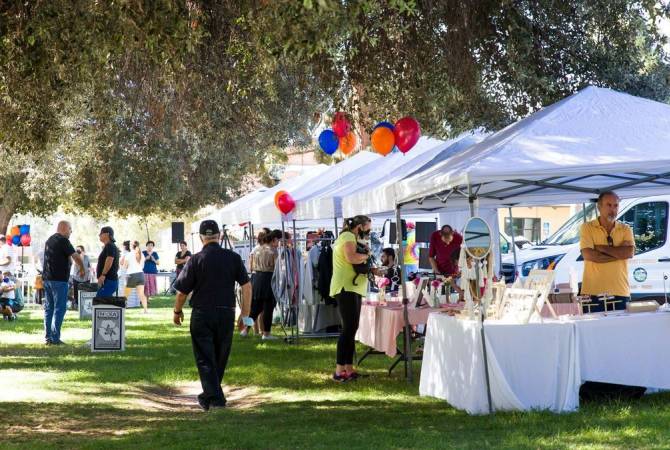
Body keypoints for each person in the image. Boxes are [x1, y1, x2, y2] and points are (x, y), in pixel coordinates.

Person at [173, 220, 252, 411]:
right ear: (218, 235)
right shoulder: (232, 258)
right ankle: (211, 395)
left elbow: (182, 291)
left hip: (202, 312)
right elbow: (247, 286)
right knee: (220, 355)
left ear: (201, 238)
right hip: (226, 312)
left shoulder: (195, 260)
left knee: (205, 357)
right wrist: (246, 313)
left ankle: (215, 399)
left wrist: (177, 311)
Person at [330, 215, 372, 382]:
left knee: (352, 328)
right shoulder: (347, 236)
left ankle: (348, 368)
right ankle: (339, 370)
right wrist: (367, 255)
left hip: (352, 287)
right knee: (348, 328)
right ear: (360, 226)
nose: (368, 231)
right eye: (368, 227)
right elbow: (351, 258)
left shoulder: (351, 237)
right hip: (345, 287)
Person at [579, 191, 635, 312]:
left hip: (620, 290)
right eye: (609, 205)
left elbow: (629, 253)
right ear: (599, 207)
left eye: (616, 205)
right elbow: (589, 255)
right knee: (592, 330)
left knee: (619, 330)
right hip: (592, 291)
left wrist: (601, 248)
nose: (613, 209)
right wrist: (619, 253)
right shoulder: (587, 227)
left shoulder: (625, 229)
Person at [43, 220, 85, 345]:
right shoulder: (63, 240)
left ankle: (48, 337)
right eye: (70, 229)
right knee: (59, 308)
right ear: (65, 228)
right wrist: (82, 268)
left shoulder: (49, 240)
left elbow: (62, 257)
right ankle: (55, 338)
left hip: (47, 279)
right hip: (59, 280)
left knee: (49, 308)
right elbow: (76, 257)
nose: (71, 232)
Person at [247, 229, 280, 340]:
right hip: (268, 279)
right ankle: (266, 333)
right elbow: (277, 268)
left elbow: (250, 265)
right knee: (268, 307)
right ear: (273, 239)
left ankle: (245, 330)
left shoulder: (257, 249)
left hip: (256, 278)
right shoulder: (273, 251)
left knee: (255, 308)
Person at [125, 240, 149, 313]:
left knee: (125, 294)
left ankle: (122, 308)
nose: (128, 245)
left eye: (129, 244)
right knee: (141, 294)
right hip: (141, 274)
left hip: (131, 275)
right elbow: (142, 265)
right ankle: (145, 310)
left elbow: (125, 266)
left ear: (132, 246)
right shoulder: (142, 254)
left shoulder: (129, 254)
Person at [96, 226, 120, 297]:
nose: (99, 235)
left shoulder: (110, 245)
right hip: (109, 280)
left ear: (107, 234)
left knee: (100, 301)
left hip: (109, 280)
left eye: (101, 233)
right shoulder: (110, 246)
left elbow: (110, 260)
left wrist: (103, 275)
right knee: (103, 304)